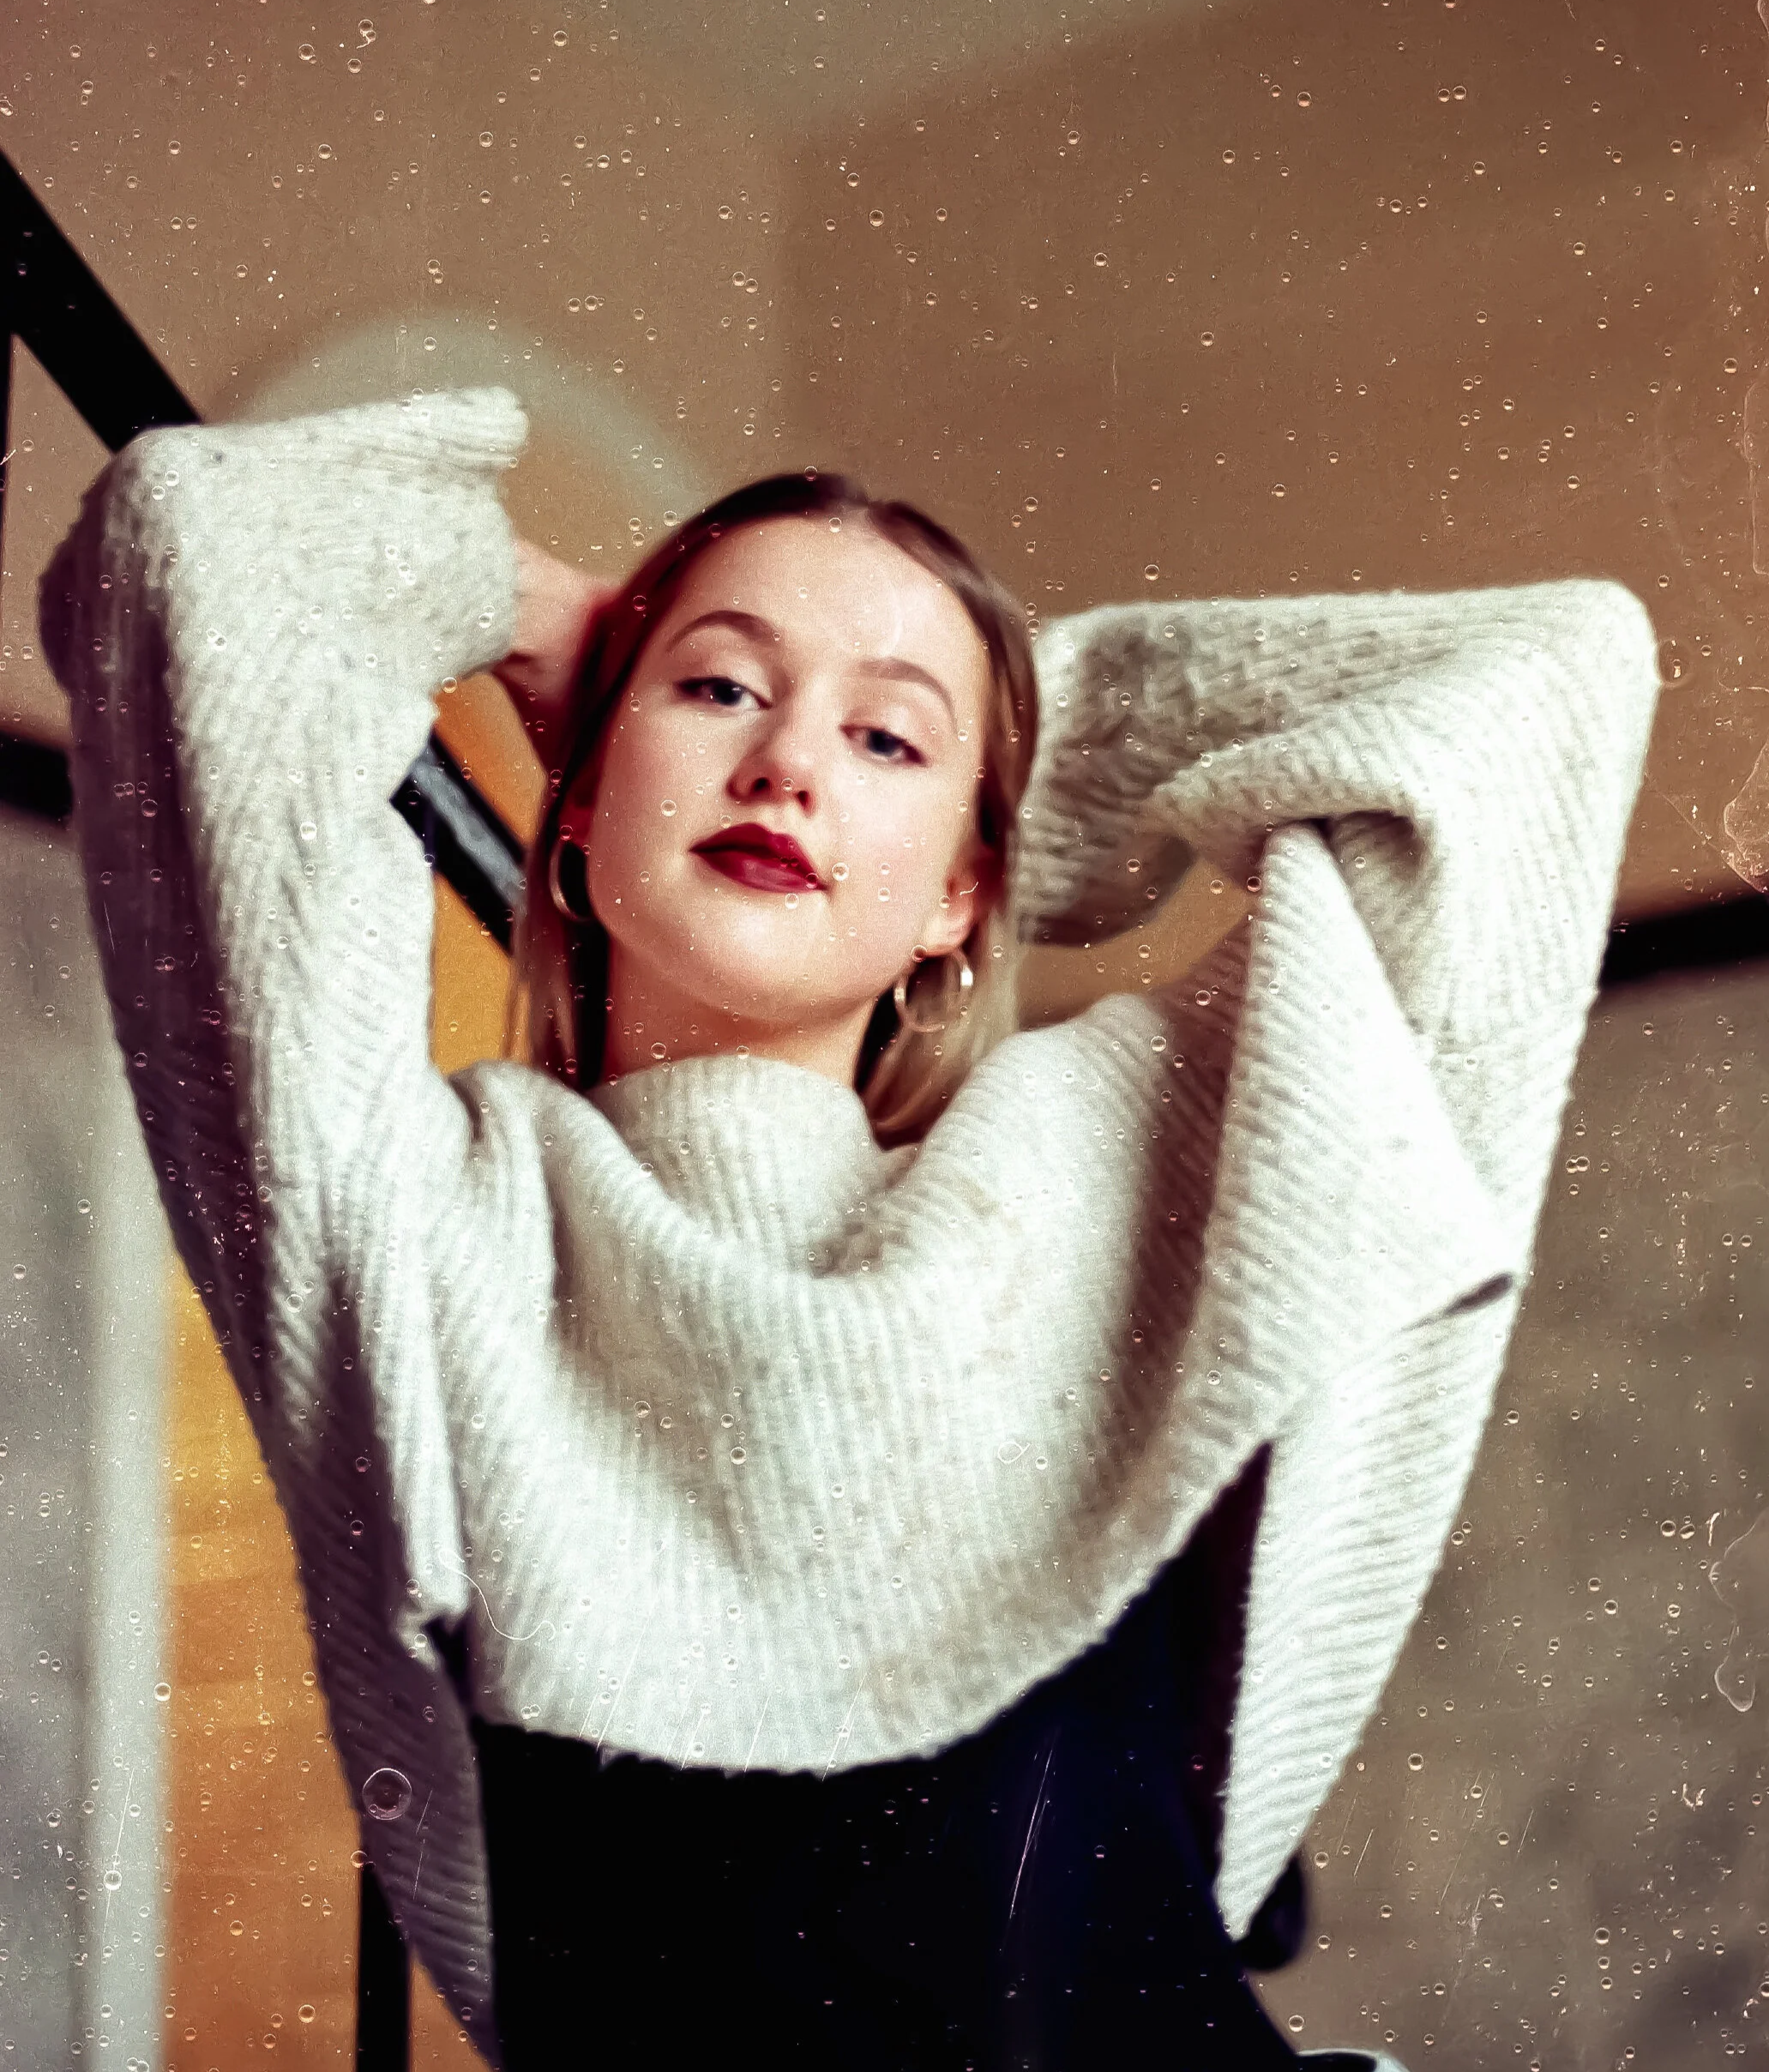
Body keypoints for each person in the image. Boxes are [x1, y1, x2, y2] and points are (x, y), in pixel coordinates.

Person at [39, 386, 1658, 2070]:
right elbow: (196, 541)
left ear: (966, 891)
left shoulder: (1091, 1159)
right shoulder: (415, 1204)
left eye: (880, 741)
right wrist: (560, 622)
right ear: (573, 801)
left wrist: (1030, 744)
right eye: (718, 685)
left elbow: (1548, 678)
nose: (786, 758)